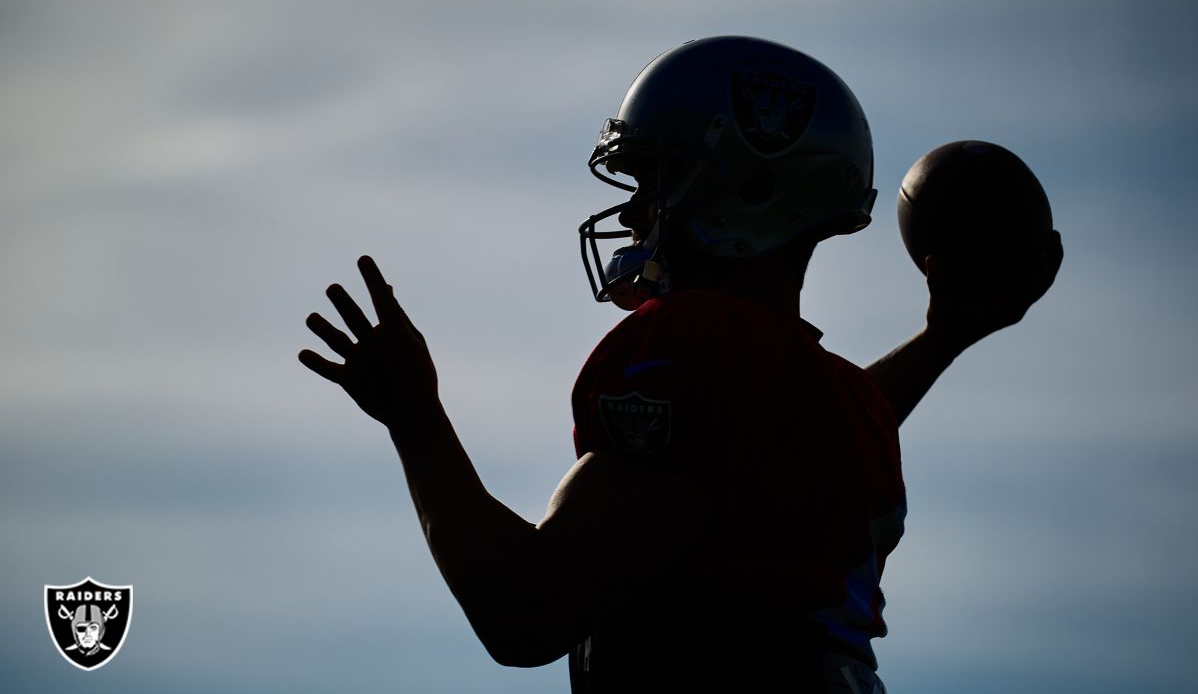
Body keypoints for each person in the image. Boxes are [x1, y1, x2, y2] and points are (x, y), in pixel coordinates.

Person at [299, 36, 1062, 693]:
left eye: (654, 182)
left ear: (747, 189)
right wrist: (946, 337)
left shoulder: (695, 341)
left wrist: (413, 416)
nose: (633, 213)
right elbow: (776, 432)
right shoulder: (834, 398)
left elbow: (525, 612)